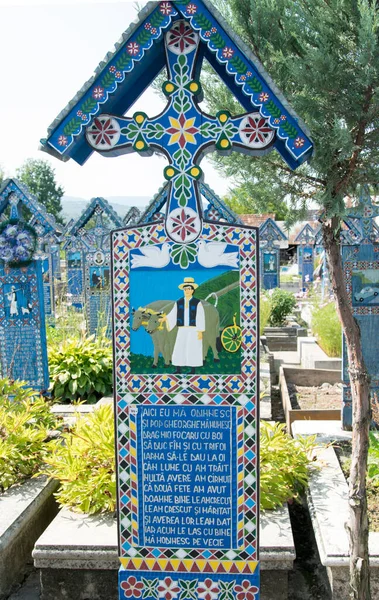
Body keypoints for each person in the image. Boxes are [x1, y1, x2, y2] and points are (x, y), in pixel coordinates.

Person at [160, 277, 205, 374]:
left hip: (194, 330)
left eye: (189, 289)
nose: (187, 291)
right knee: (179, 347)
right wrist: (165, 318)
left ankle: (193, 369)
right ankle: (178, 369)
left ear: (192, 290)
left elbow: (200, 316)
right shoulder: (179, 302)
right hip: (182, 329)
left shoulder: (197, 303)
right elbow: (173, 313)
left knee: (193, 348)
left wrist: (200, 331)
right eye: (185, 289)